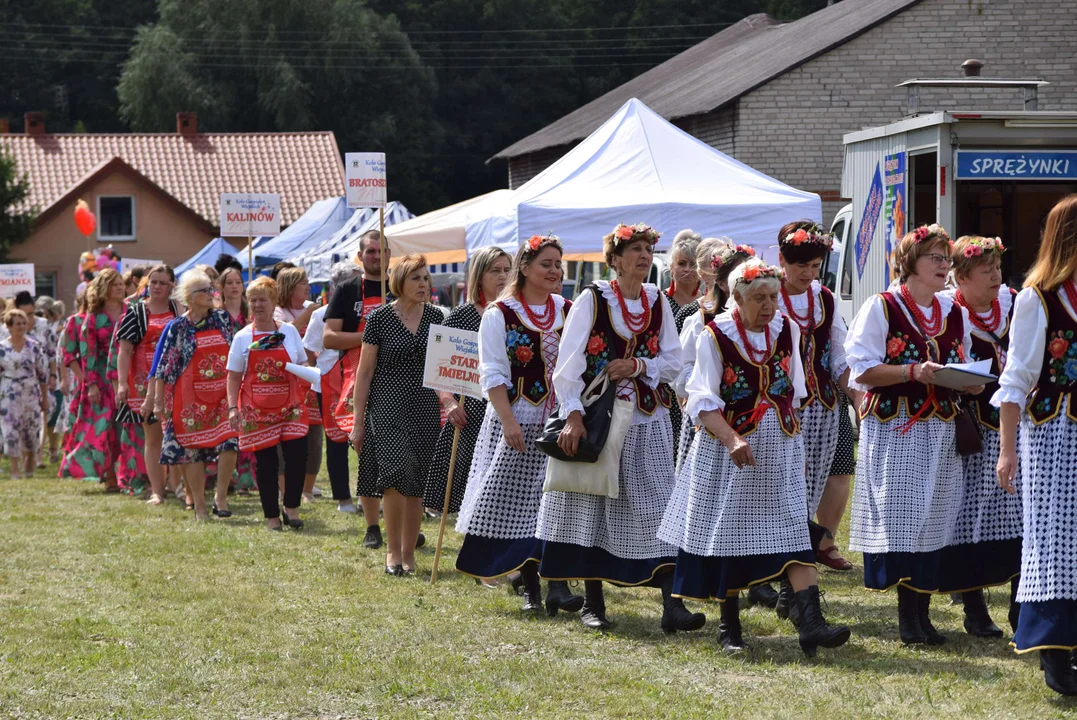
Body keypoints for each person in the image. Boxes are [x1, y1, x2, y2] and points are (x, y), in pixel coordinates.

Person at [658, 259, 851, 656]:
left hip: (779, 444)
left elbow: (794, 392)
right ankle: (729, 628)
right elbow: (702, 400)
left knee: (795, 529)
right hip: (729, 451)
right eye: (759, 298)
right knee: (729, 536)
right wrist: (731, 440)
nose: (769, 305)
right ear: (738, 297)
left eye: (773, 297)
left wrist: (794, 449)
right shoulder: (715, 335)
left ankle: (811, 622)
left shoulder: (788, 329)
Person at [538, 223, 703, 634]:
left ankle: (672, 603)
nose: (644, 256)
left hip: (648, 420)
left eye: (649, 250)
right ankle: (593, 603)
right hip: (600, 419)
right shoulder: (592, 300)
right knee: (594, 503)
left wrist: (639, 365)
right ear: (614, 259)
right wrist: (572, 415)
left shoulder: (656, 301)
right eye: (635, 250)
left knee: (659, 505)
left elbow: (674, 361)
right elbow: (568, 365)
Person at [845, 223, 981, 646]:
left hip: (940, 429)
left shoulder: (954, 311)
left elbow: (963, 361)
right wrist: (910, 370)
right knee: (904, 519)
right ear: (909, 264)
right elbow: (861, 370)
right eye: (936, 258)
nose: (945, 265)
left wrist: (970, 382)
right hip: (896, 429)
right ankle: (908, 619)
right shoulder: (882, 306)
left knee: (935, 519)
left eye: (947, 258)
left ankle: (922, 614)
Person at [455, 235, 583, 613]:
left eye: (558, 264)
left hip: (560, 420)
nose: (555, 271)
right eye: (546, 263)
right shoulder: (500, 313)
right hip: (518, 417)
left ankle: (557, 585)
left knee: (557, 501)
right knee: (520, 504)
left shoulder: (568, 309)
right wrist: (508, 420)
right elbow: (492, 371)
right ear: (524, 268)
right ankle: (530, 590)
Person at [995, 194, 1077, 696]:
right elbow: (1016, 379)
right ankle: (1054, 647)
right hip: (1053, 434)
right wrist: (1008, 450)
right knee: (1051, 536)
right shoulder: (1038, 298)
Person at [934, 235, 1023, 638]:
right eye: (986, 271)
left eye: (998, 269)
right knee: (967, 514)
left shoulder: (1016, 303)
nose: (996, 277)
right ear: (962, 276)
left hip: (1018, 425)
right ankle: (973, 608)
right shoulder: (949, 311)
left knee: (1023, 515)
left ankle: (1022, 608)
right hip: (971, 427)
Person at [349, 254, 441, 575]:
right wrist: (358, 422)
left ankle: (408, 554)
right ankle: (392, 552)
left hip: (425, 405)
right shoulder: (380, 318)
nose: (423, 284)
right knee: (395, 474)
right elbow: (364, 372)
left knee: (416, 482)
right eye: (416, 278)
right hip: (386, 403)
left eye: (426, 278)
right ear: (399, 281)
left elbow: (447, 367)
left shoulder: (438, 318)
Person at [775, 221, 856, 574]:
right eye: (800, 266)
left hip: (822, 405)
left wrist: (855, 393)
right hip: (777, 406)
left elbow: (838, 354)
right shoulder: (763, 291)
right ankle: (776, 564)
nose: (808, 274)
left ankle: (794, 570)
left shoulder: (824, 298)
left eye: (814, 267)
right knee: (780, 483)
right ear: (782, 260)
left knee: (812, 484)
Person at [423, 247, 512, 520]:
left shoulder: (518, 313)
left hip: (513, 408)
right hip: (471, 412)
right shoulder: (461, 316)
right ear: (479, 276)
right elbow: (439, 367)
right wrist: (449, 402)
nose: (503, 276)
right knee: (471, 492)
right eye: (495, 270)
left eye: (507, 270)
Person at [148, 270, 239, 521]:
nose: (212, 294)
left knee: (231, 442)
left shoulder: (222, 318)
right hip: (188, 397)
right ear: (190, 296)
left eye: (212, 289)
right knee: (191, 450)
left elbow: (237, 350)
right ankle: (199, 505)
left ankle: (220, 497)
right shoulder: (178, 326)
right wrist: (157, 402)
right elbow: (163, 366)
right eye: (206, 291)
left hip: (222, 394)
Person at [323, 230, 392, 548]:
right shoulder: (347, 289)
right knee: (367, 452)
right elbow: (329, 338)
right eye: (370, 252)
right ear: (360, 256)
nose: (376, 257)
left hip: (397, 378)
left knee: (399, 454)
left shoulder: (399, 286)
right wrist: (370, 337)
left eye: (381, 251)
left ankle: (398, 519)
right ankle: (372, 526)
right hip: (355, 380)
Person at [226, 276, 309, 531]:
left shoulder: (289, 331)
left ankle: (291, 507)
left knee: (297, 458)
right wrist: (232, 408)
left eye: (262, 299)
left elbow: (303, 363)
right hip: (257, 409)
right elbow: (234, 375)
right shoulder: (241, 337)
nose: (257, 305)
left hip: (291, 406)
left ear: (273, 302)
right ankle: (272, 516)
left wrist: (308, 376)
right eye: (252, 300)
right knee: (267, 464)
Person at [674, 242, 753, 474]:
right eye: (740, 276)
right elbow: (682, 373)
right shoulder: (701, 319)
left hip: (752, 421)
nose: (747, 281)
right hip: (711, 421)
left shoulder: (770, 322)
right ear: (721, 283)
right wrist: (711, 387)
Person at [115, 265, 180, 504]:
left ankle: (178, 486)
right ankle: (157, 491)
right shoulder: (136, 312)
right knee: (153, 438)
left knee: (177, 433)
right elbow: (124, 350)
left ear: (172, 285)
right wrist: (122, 383)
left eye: (163, 283)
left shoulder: (178, 309)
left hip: (175, 380)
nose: (157, 286)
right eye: (153, 282)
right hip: (144, 383)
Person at [59, 269, 124, 488]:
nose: (120, 288)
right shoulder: (94, 317)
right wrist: (91, 384)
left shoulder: (131, 311)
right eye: (115, 284)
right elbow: (88, 354)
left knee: (125, 427)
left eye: (121, 284)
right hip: (102, 379)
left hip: (127, 376)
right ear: (104, 288)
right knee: (104, 428)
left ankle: (127, 474)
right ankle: (109, 476)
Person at [307, 261, 362, 513]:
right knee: (336, 441)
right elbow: (310, 351)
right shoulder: (321, 314)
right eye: (353, 282)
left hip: (359, 378)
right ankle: (344, 499)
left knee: (365, 441)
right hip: (330, 383)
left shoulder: (367, 311)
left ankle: (367, 496)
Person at [274, 267, 324, 502]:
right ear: (290, 286)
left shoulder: (312, 306)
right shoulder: (279, 311)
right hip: (287, 383)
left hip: (313, 380)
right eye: (303, 282)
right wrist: (309, 314)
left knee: (314, 436)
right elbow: (284, 334)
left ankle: (307, 488)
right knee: (288, 439)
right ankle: (284, 485)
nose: (308, 286)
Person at [215, 266, 256, 495]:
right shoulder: (215, 315)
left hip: (248, 374)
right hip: (221, 377)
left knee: (246, 425)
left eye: (237, 282)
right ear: (221, 287)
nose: (233, 286)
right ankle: (224, 478)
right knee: (226, 429)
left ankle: (246, 480)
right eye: (228, 282)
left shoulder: (251, 314)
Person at [0, 309, 49, 478]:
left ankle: (29, 466)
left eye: (23, 323)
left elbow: (42, 375)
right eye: (17, 324)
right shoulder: (2, 348)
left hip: (31, 392)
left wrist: (44, 398)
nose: (21, 327)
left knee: (31, 430)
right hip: (9, 392)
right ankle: (14, 470)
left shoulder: (34, 346)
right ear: (9, 326)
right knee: (10, 430)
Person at [665, 229, 703, 314]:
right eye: (681, 263)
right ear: (671, 267)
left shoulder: (706, 301)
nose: (688, 269)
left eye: (693, 264)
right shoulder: (660, 301)